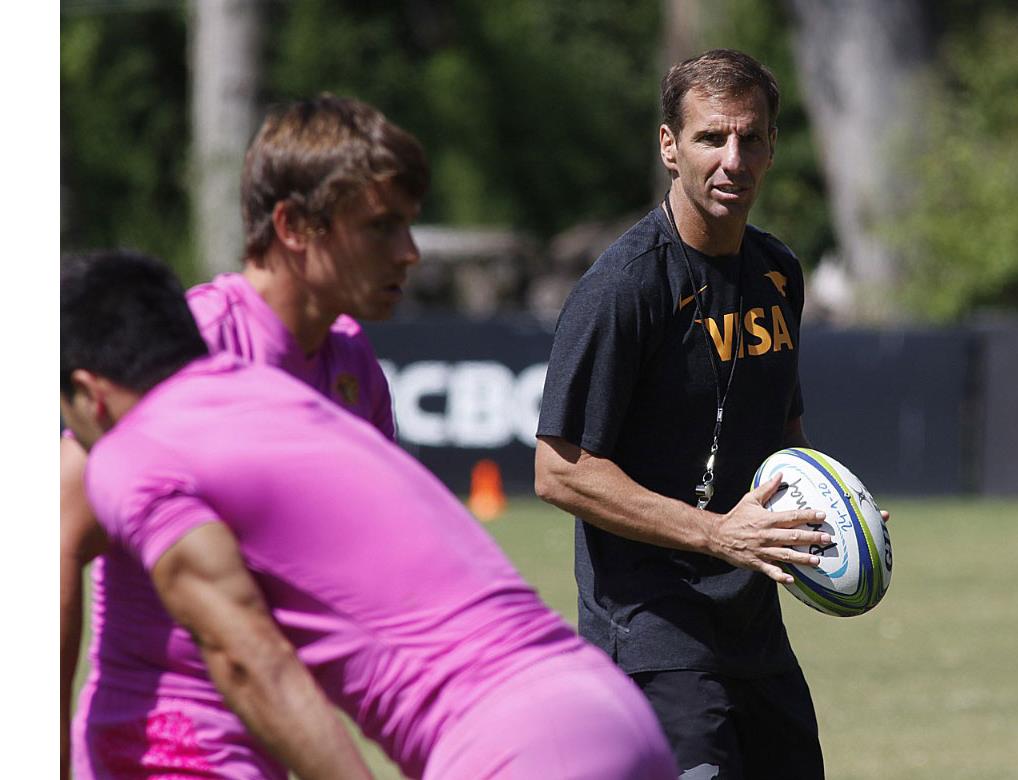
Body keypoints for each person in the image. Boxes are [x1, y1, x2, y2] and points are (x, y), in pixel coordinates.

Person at [60, 250, 678, 780]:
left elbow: (248, 659)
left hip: (511, 747)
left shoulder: (132, 448)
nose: (406, 251)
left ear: (89, 394)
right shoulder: (289, 399)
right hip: (609, 707)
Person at [61, 94, 425, 778]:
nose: (409, 253)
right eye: (381, 227)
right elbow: (52, 537)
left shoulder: (352, 362)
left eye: (409, 225)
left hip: (276, 733)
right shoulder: (187, 343)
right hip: (161, 743)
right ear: (293, 226)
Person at [536, 48, 864, 779]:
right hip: (654, 638)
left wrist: (833, 513)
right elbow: (559, 472)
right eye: (711, 137)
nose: (732, 159)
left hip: (755, 636)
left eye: (750, 138)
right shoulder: (623, 287)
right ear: (669, 146)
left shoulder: (778, 272)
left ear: (773, 147)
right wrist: (717, 533)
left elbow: (786, 435)